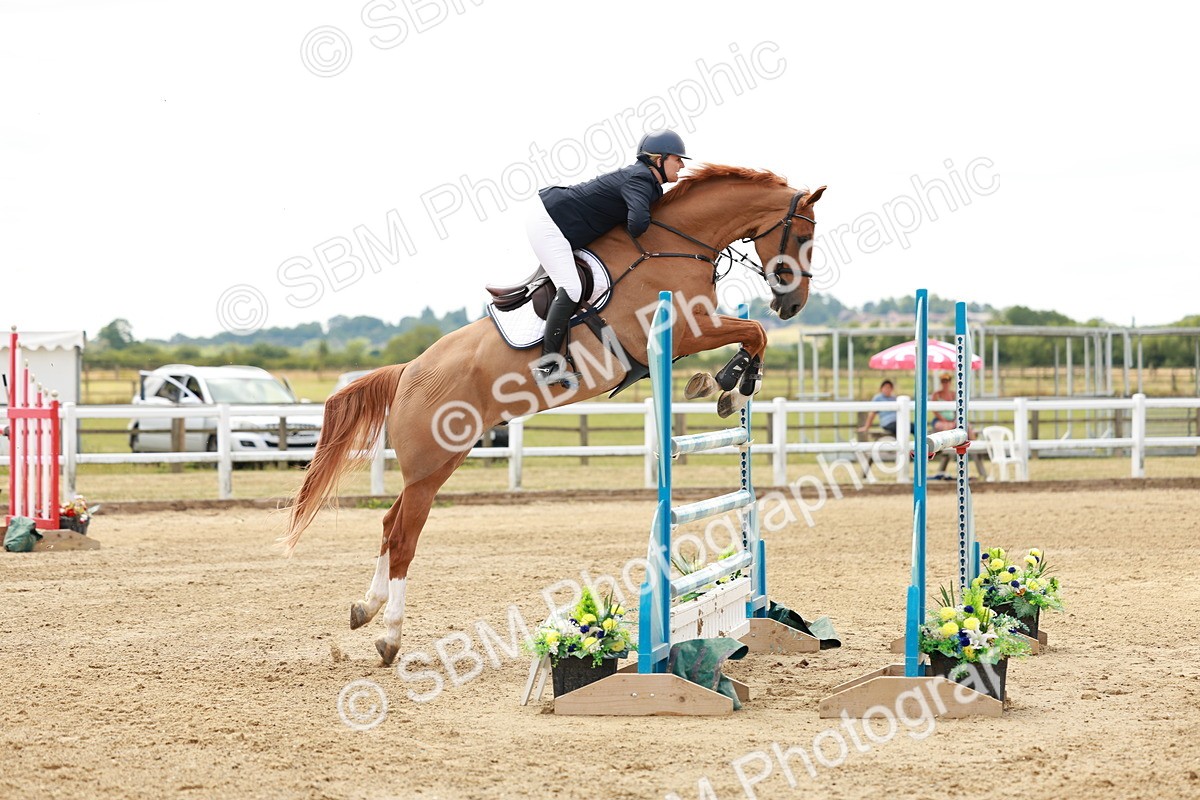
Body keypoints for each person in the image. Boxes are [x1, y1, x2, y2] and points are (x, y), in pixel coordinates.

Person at [525, 129, 690, 384]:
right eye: (677, 159)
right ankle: (547, 367)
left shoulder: (646, 181)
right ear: (658, 159)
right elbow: (637, 224)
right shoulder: (640, 180)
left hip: (559, 218)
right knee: (571, 287)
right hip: (550, 222)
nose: (681, 165)